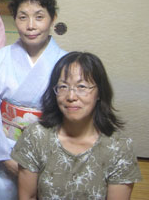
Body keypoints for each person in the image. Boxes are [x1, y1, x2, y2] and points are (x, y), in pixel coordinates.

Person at [0, 0, 67, 199]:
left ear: (52, 18)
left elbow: (71, 115)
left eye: (39, 16)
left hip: (48, 152)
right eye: (22, 17)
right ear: (14, 19)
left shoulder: (65, 62)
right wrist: (4, 156)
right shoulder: (1, 58)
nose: (31, 26)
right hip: (4, 149)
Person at [12, 52, 142, 199]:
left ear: (99, 92)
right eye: (63, 86)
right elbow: (27, 196)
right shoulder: (36, 136)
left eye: (82, 86)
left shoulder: (119, 147)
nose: (71, 96)